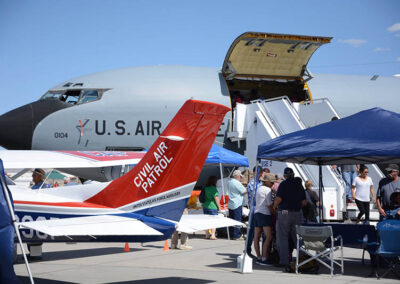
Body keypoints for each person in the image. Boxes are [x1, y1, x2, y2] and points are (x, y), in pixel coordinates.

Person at [273, 167, 306, 269]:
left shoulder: (283, 184)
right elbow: (304, 203)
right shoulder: (299, 185)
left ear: (285, 176)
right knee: (298, 237)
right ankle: (303, 260)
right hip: (297, 213)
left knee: (282, 237)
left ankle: (284, 261)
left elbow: (279, 199)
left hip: (285, 212)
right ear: (293, 175)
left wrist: (274, 207)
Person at [254, 173, 275, 266]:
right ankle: (264, 257)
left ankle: (258, 257)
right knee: (269, 236)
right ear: (268, 182)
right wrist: (275, 212)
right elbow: (269, 204)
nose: (273, 184)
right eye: (272, 182)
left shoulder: (259, 188)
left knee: (256, 236)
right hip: (264, 214)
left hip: (257, 212)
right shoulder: (268, 190)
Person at [228, 170, 247, 240]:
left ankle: (231, 234)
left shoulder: (229, 182)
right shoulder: (237, 183)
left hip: (231, 203)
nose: (240, 178)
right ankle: (237, 235)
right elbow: (244, 191)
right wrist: (245, 187)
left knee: (231, 219)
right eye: (240, 177)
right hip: (237, 203)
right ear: (238, 176)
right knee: (237, 220)